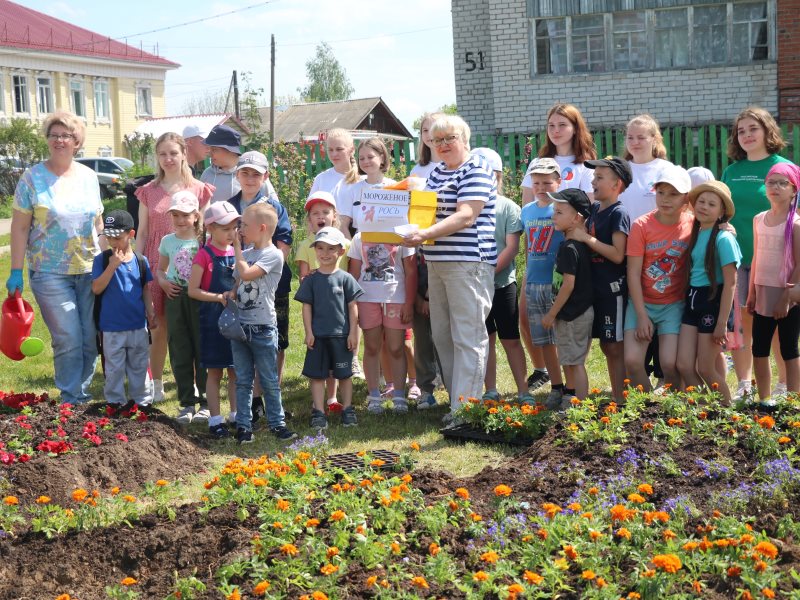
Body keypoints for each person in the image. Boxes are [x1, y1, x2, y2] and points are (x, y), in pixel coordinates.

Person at [401, 114, 496, 421]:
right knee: (443, 335)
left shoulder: (476, 170)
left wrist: (424, 234)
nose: (442, 145)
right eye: (437, 140)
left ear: (464, 139)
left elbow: (466, 215)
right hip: (438, 263)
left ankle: (466, 409)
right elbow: (425, 212)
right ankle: (459, 402)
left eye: (449, 138)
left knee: (468, 335)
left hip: (468, 264)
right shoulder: (438, 172)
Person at [7, 110, 105, 405]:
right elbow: (20, 226)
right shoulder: (32, 178)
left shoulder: (89, 177)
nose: (59, 140)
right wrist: (15, 271)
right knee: (68, 338)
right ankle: (70, 397)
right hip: (49, 272)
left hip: (89, 269)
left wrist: (112, 258)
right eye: (54, 135)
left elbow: (98, 224)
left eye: (66, 135)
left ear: (77, 141)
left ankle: (81, 392)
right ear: (47, 140)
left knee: (89, 339)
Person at [519, 103, 597, 390]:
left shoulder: (584, 165)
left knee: (568, 320)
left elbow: (586, 211)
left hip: (568, 255)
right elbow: (529, 209)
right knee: (529, 317)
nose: (556, 131)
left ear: (576, 128)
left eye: (562, 125)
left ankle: (574, 380)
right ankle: (547, 374)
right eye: (551, 125)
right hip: (538, 257)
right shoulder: (537, 163)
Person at [722, 107, 793, 401]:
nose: (747, 135)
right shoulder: (731, 171)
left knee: (776, 326)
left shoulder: (783, 166)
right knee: (740, 324)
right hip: (738, 261)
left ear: (767, 131)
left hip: (775, 262)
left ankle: (783, 385)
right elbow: (723, 209)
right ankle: (745, 384)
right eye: (741, 131)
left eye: (753, 129)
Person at [136, 132, 213, 403]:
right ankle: (156, 384)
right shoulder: (148, 191)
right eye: (162, 154)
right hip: (157, 263)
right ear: (157, 158)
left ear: (184, 154)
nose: (168, 159)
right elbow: (143, 233)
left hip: (191, 267)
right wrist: (136, 266)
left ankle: (193, 385)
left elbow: (206, 231)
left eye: (173, 153)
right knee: (158, 327)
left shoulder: (200, 189)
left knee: (191, 327)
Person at [227, 202, 295, 444]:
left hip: (263, 327)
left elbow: (246, 274)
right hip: (240, 328)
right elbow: (238, 284)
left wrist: (236, 247)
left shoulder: (274, 255)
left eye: (244, 225)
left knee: (268, 380)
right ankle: (244, 426)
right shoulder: (245, 255)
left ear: (263, 228)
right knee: (243, 380)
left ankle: (278, 424)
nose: (240, 229)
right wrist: (230, 295)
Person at [624, 166, 694, 391]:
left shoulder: (693, 224)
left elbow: (716, 227)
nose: (665, 199)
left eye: (674, 194)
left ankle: (672, 408)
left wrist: (726, 226)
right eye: (661, 192)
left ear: (686, 197)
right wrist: (642, 315)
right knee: (633, 362)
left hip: (673, 305)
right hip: (641, 303)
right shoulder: (641, 226)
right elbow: (633, 272)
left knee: (669, 364)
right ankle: (648, 408)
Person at [227, 151, 293, 391]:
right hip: (239, 283)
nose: (250, 178)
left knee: (275, 339)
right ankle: (250, 394)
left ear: (265, 176)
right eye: (245, 172)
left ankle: (269, 390)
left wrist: (264, 268)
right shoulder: (229, 207)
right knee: (244, 337)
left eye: (256, 174)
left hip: (272, 284)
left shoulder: (275, 208)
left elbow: (284, 242)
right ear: (237, 175)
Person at [471, 148, 532, 404]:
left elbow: (512, 247)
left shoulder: (508, 207)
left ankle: (523, 390)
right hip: (474, 285)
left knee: (510, 338)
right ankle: (491, 389)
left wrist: (489, 272)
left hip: (502, 283)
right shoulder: (468, 206)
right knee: (485, 339)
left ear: (497, 177)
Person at [676, 181, 740, 406]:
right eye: (701, 201)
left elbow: (731, 283)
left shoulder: (724, 239)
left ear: (722, 212)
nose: (704, 206)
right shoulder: (696, 232)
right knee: (684, 364)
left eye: (712, 204)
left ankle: (727, 411)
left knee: (705, 367)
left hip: (713, 302)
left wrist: (722, 323)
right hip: (692, 301)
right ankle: (705, 409)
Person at [575, 157, 632, 402]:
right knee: (605, 346)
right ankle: (618, 396)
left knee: (614, 346)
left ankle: (621, 400)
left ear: (616, 184)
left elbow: (618, 255)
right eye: (593, 176)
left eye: (599, 177)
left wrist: (587, 239)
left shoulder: (618, 213)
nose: (593, 181)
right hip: (594, 287)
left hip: (612, 290)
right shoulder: (595, 209)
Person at [295, 227, 363, 430]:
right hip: (318, 337)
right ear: (314, 250)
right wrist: (308, 332)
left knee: (344, 375)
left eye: (331, 249)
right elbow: (306, 307)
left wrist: (352, 333)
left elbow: (353, 307)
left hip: (341, 337)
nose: (325, 254)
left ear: (341, 252)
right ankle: (318, 411)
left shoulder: (346, 278)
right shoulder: (311, 280)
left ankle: (348, 409)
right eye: (320, 248)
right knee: (317, 376)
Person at [92, 210, 156, 411]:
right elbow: (96, 288)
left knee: (139, 366)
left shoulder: (140, 261)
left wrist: (151, 312)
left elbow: (145, 289)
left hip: (138, 326)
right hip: (111, 328)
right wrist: (112, 267)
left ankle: (142, 402)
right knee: (114, 368)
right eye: (109, 237)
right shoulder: (101, 261)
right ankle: (115, 402)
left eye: (117, 238)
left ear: (131, 234)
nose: (113, 242)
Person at [748, 163, 800, 408]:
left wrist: (786, 298)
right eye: (771, 182)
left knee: (789, 347)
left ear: (793, 190)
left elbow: (799, 266)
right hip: (762, 294)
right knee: (759, 347)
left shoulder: (797, 224)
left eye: (783, 183)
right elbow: (756, 258)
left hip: (786, 296)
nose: (776, 187)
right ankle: (765, 399)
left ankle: (793, 400)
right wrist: (751, 293)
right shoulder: (759, 219)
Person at [348, 227, 417, 414]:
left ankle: (399, 396)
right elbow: (353, 273)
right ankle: (374, 396)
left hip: (396, 299)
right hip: (367, 299)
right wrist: (351, 302)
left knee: (396, 347)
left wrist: (409, 303)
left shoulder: (404, 233)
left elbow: (411, 271)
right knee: (371, 347)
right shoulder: (360, 236)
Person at [188, 201, 240, 438]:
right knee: (215, 372)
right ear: (211, 229)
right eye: (225, 229)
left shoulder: (236, 252)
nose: (231, 233)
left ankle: (237, 415)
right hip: (212, 319)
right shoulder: (204, 255)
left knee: (235, 370)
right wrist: (218, 297)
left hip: (236, 319)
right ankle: (215, 419)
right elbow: (193, 290)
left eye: (234, 228)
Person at [296, 191, 351, 411]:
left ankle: (332, 397)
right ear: (309, 220)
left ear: (334, 216)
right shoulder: (306, 246)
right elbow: (303, 277)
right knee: (320, 353)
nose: (321, 216)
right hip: (317, 309)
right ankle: (320, 400)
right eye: (315, 213)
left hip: (340, 308)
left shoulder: (345, 244)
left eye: (325, 212)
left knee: (338, 352)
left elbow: (350, 275)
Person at [157, 191, 207, 424]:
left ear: (196, 216)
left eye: (185, 215)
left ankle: (207, 401)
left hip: (199, 298)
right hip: (176, 298)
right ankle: (187, 401)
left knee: (203, 347)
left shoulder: (203, 241)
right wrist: (164, 283)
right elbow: (160, 269)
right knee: (179, 348)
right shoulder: (168, 241)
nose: (179, 219)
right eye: (175, 214)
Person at [520, 158, 566, 408]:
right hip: (535, 281)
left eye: (547, 182)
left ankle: (572, 387)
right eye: (536, 182)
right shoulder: (527, 211)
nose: (541, 187)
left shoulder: (563, 208)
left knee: (562, 338)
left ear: (559, 182)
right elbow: (527, 245)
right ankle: (556, 386)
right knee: (543, 339)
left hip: (557, 283)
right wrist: (527, 274)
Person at [541, 189, 594, 405]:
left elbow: (568, 285)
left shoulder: (570, 248)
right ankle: (571, 396)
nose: (554, 216)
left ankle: (580, 406)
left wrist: (551, 314)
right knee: (570, 359)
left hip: (573, 314)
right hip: (572, 313)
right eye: (554, 211)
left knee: (576, 361)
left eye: (560, 212)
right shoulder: (573, 245)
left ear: (576, 218)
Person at [618, 114, 674, 223]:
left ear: (654, 139)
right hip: (623, 237)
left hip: (656, 237)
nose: (635, 142)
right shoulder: (618, 170)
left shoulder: (666, 169)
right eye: (630, 137)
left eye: (641, 137)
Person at [310, 128, 361, 236]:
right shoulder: (321, 179)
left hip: (353, 241)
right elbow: (311, 215)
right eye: (330, 150)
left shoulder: (360, 180)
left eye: (339, 149)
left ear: (351, 150)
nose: (334, 154)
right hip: (324, 241)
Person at [340, 136, 396, 231]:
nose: (365, 161)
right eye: (361, 158)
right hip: (361, 243)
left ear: (382, 158)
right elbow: (343, 225)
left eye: (370, 157)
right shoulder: (353, 189)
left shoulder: (395, 187)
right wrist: (352, 245)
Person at [410, 112, 445, 180]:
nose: (429, 134)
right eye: (425, 130)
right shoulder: (416, 171)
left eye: (434, 128)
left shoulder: (456, 166)